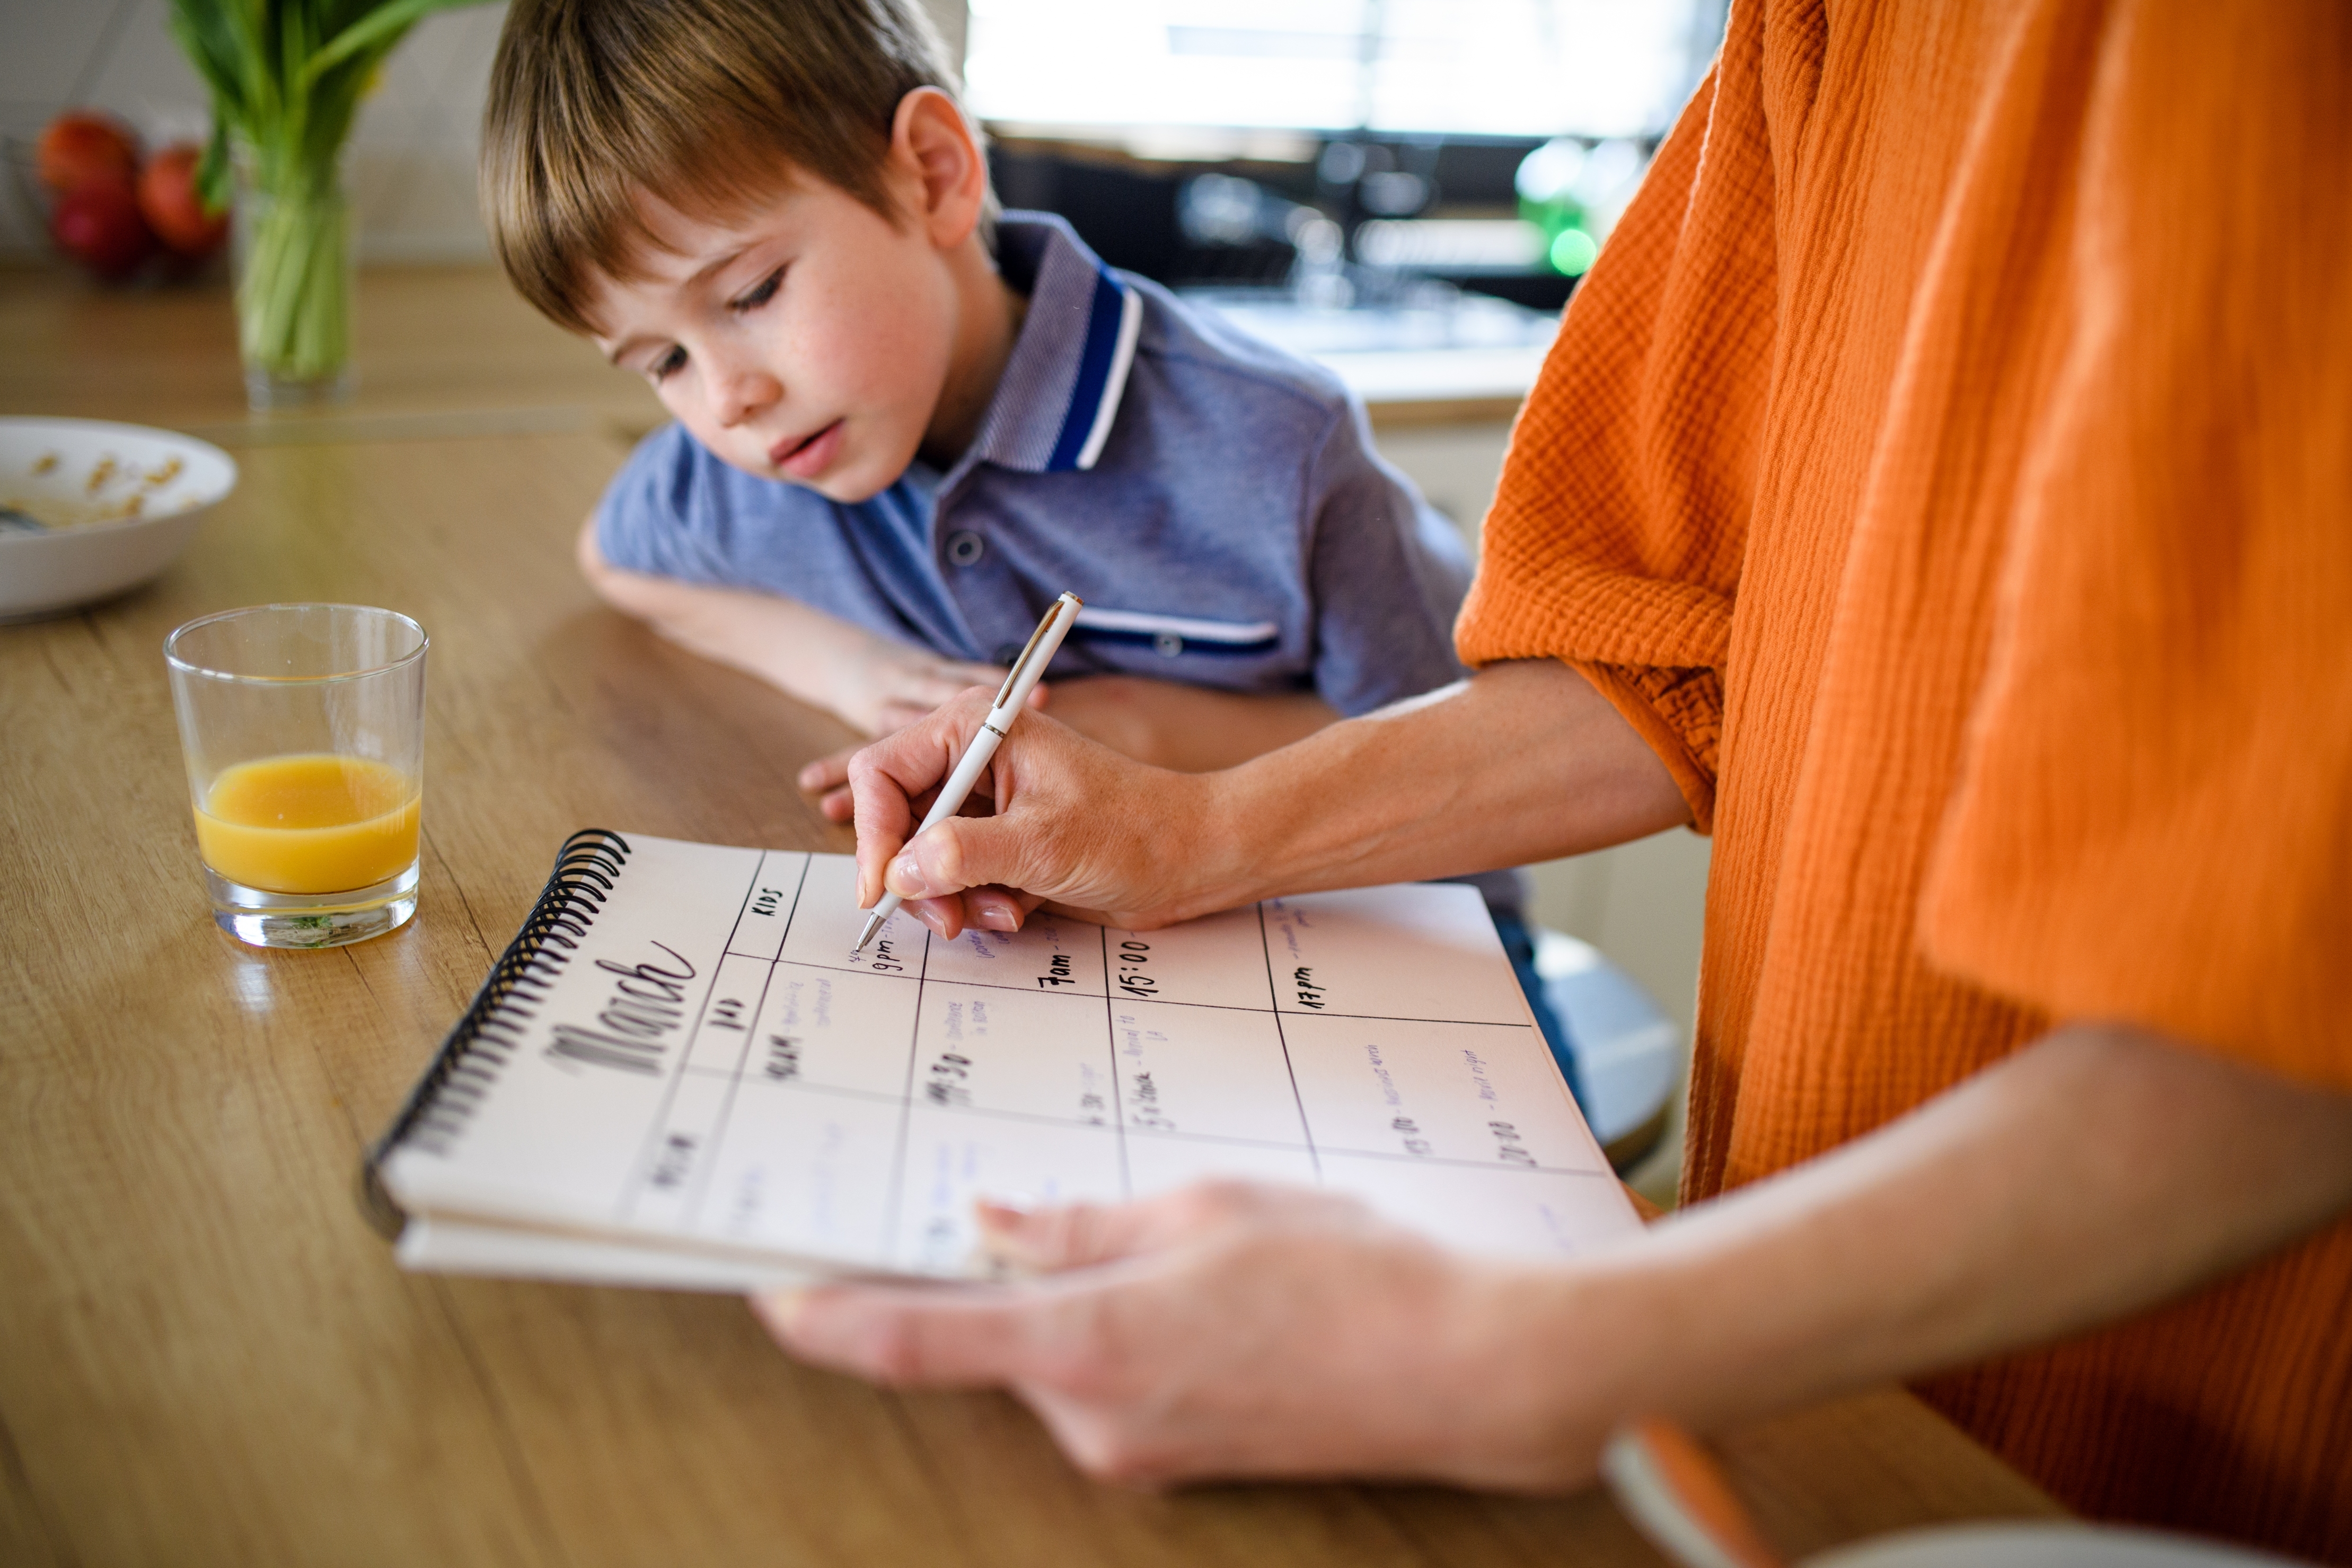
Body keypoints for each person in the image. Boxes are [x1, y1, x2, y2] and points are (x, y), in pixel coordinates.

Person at [751, 1, 2352, 1560]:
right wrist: (1195, 831)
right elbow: (1664, 657)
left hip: (2193, 1413)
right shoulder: (1815, 31)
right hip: (1796, 1308)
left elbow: (2283, 1029)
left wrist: (1521, 1349)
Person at [475, 0, 1578, 1081]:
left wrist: (1137, 725)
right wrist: (847, 669)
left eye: (753, 292)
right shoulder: (766, 455)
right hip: (1080, 999)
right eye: (661, 362)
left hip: (1395, 958)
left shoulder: (1272, 443)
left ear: (935, 175)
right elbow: (615, 558)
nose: (727, 401)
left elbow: (1458, 756)